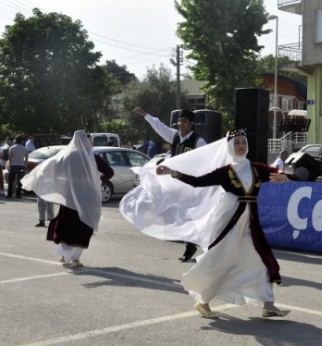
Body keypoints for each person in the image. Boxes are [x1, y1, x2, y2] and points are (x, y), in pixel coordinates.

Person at [122, 129, 290, 319]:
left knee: (260, 259)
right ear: (229, 147)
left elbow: (275, 171)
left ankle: (268, 304)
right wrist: (173, 172)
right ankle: (203, 302)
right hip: (229, 219)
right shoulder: (225, 171)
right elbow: (197, 182)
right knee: (220, 260)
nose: (241, 146)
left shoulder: (256, 168)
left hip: (250, 222)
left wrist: (282, 175)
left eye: (243, 142)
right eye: (237, 143)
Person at [21, 130, 114, 269]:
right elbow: (109, 173)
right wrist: (95, 180)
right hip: (88, 196)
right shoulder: (92, 157)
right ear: (87, 140)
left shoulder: (67, 157)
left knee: (67, 224)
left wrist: (64, 182)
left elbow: (52, 170)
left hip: (69, 196)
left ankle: (64, 255)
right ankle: (75, 258)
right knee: (85, 224)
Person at [133, 106, 206, 262]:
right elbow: (160, 126)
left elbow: (207, 160)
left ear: (191, 124)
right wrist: (146, 114)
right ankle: (188, 239)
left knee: (191, 214)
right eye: (179, 121)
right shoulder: (174, 137)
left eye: (185, 121)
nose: (181, 124)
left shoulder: (199, 141)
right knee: (177, 212)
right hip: (175, 183)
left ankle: (191, 244)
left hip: (190, 184)